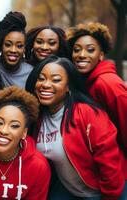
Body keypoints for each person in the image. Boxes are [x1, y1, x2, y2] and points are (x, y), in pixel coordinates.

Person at [25, 55, 124, 199]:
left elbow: (110, 165)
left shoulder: (87, 114)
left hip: (101, 192)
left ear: (68, 87)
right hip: (68, 190)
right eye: (41, 78)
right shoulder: (37, 117)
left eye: (56, 80)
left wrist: (109, 196)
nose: (45, 84)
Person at [66, 22, 127, 199]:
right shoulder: (85, 81)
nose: (81, 54)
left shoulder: (107, 83)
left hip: (118, 174)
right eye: (77, 49)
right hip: (99, 172)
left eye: (90, 50)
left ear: (101, 55)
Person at [0, 11, 33, 89]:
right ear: (1, 46)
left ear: (24, 49)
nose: (13, 50)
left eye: (19, 46)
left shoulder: (31, 72)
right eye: (8, 45)